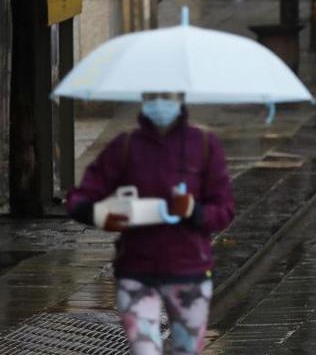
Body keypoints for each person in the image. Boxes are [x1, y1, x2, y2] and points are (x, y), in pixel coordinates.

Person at [67, 92, 235, 354]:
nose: (159, 103)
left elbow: (224, 210)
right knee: (144, 350)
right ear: (144, 98)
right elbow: (81, 196)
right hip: (136, 271)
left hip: (189, 271)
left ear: (180, 98)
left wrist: (193, 210)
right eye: (153, 96)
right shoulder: (125, 146)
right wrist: (99, 215)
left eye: (166, 95)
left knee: (187, 350)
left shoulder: (203, 145)